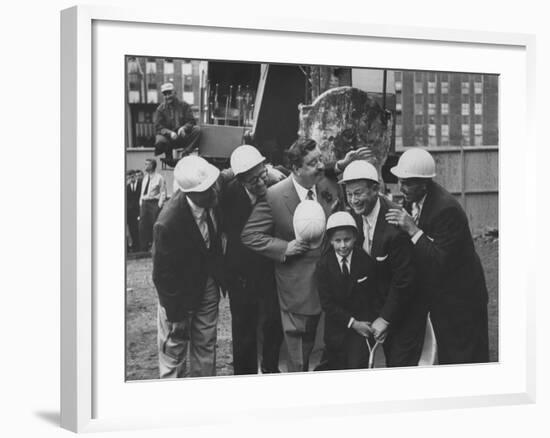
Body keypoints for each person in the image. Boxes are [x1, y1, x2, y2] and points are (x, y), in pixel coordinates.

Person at [386, 148, 489, 364]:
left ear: (423, 183)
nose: (401, 188)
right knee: (445, 352)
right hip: (441, 295)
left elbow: (438, 261)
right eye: (400, 181)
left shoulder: (446, 210)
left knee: (463, 356)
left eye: (407, 183)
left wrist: (413, 230)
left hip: (461, 299)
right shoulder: (415, 199)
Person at [241, 138, 336, 372]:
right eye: (313, 163)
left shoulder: (329, 185)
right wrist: (285, 248)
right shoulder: (274, 197)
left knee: (329, 353)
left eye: (320, 159)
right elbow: (250, 235)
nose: (320, 166)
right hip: (296, 292)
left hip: (332, 289)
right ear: (296, 169)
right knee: (300, 359)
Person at [341, 160, 424, 367]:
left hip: (405, 313)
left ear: (376, 189)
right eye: (349, 194)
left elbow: (405, 280)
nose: (353, 200)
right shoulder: (351, 217)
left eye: (358, 193)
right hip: (373, 309)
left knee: (399, 370)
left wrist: (386, 319)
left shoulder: (395, 225)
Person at [152, 155, 225, 378]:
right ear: (189, 193)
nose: (214, 191)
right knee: (174, 353)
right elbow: (163, 277)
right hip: (178, 294)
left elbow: (229, 175)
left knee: (205, 346)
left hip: (208, 284)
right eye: (207, 189)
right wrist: (176, 316)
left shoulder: (210, 194)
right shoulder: (168, 223)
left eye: (214, 185)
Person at [219, 145, 284, 375]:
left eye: (262, 175)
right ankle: (244, 377)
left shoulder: (278, 182)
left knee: (272, 325)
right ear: (240, 180)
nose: (260, 184)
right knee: (243, 331)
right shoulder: (228, 193)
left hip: (270, 270)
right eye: (252, 180)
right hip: (240, 275)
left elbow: (304, 169)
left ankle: (270, 371)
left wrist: (271, 172)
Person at [316, 211, 378, 370]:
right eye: (337, 240)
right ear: (330, 240)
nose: (343, 245)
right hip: (337, 330)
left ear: (355, 238)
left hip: (362, 330)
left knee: (358, 368)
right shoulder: (324, 265)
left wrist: (366, 324)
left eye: (347, 239)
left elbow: (373, 296)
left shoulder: (365, 261)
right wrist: (353, 323)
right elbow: (327, 304)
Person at [153, 82, 201, 167]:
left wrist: (184, 128)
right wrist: (169, 133)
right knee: (159, 140)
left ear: (175, 93)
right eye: (165, 94)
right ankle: (168, 155)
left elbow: (191, 121)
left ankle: (185, 152)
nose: (167, 96)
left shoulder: (184, 105)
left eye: (169, 93)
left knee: (197, 130)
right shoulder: (160, 109)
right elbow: (158, 127)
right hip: (169, 140)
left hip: (183, 136)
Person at [139, 158, 166, 252]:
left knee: (154, 225)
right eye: (145, 164)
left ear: (152, 166)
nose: (145, 166)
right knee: (142, 225)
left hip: (154, 203)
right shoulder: (145, 178)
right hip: (144, 203)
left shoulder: (159, 178)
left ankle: (156, 246)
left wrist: (159, 206)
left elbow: (163, 193)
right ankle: (143, 247)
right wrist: (141, 203)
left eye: (147, 164)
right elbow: (142, 192)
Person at [126, 170, 142, 252]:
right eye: (129, 177)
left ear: (135, 176)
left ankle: (140, 246)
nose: (131, 178)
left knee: (139, 228)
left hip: (139, 210)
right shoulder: (127, 187)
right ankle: (135, 247)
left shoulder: (141, 185)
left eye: (133, 176)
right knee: (132, 229)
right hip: (130, 213)